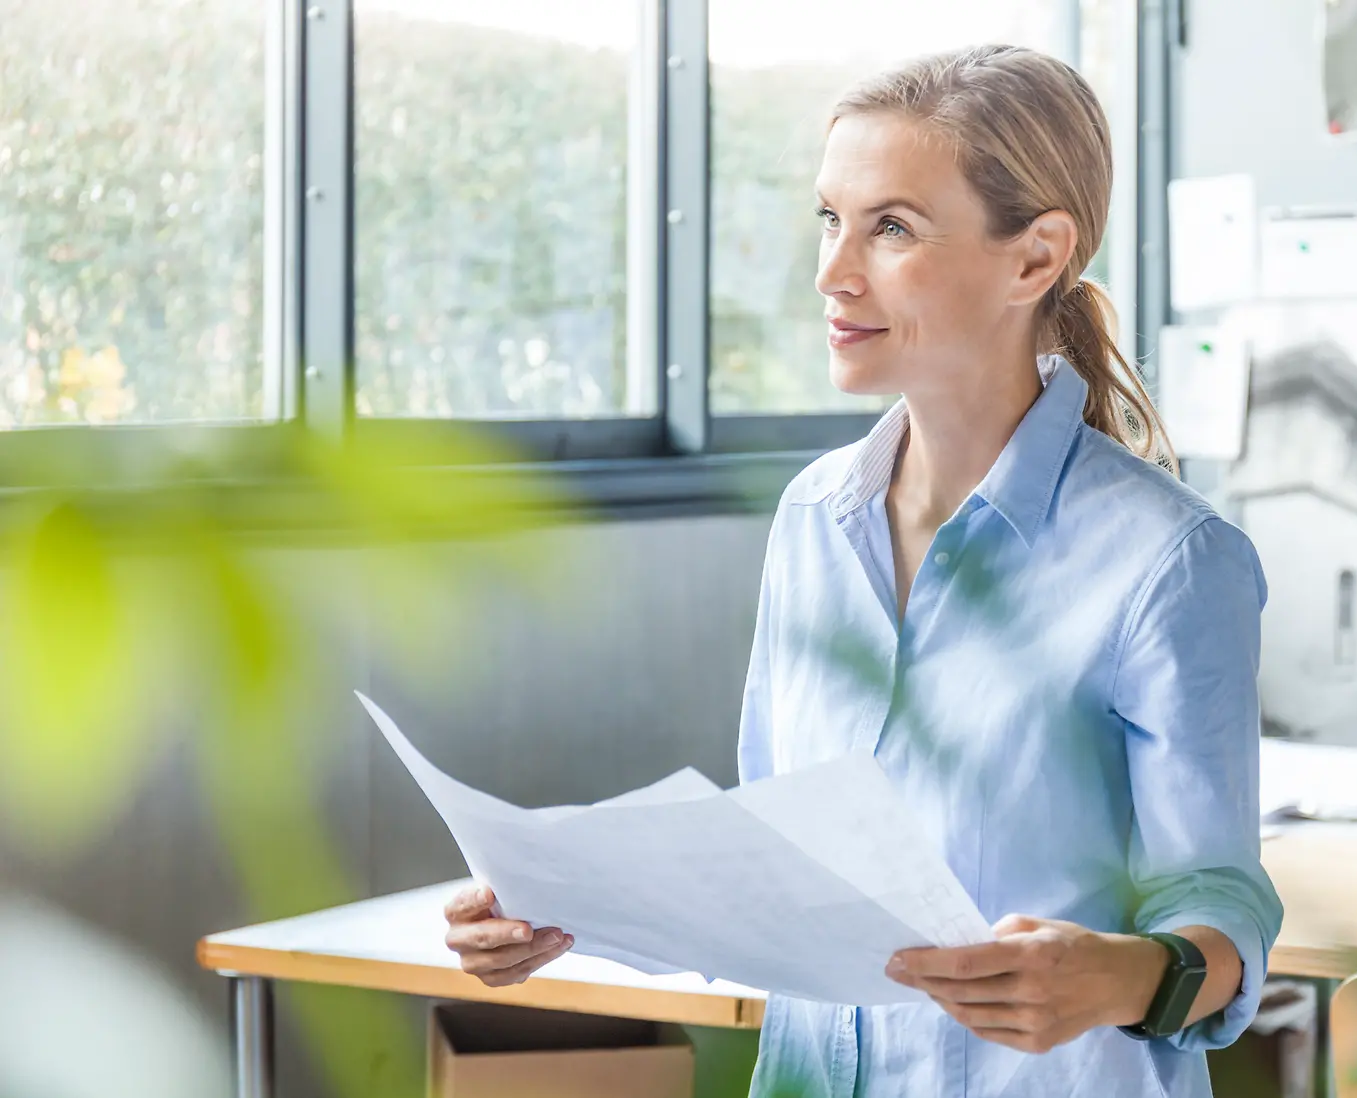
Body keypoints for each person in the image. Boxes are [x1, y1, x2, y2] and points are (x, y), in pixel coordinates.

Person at [443, 43, 1283, 1097]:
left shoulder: (1167, 560)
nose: (833, 273)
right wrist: (565, 912)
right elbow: (769, 877)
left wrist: (1123, 977)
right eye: (829, 220)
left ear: (1034, 259)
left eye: (891, 227)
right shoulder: (813, 520)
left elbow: (1223, 904)